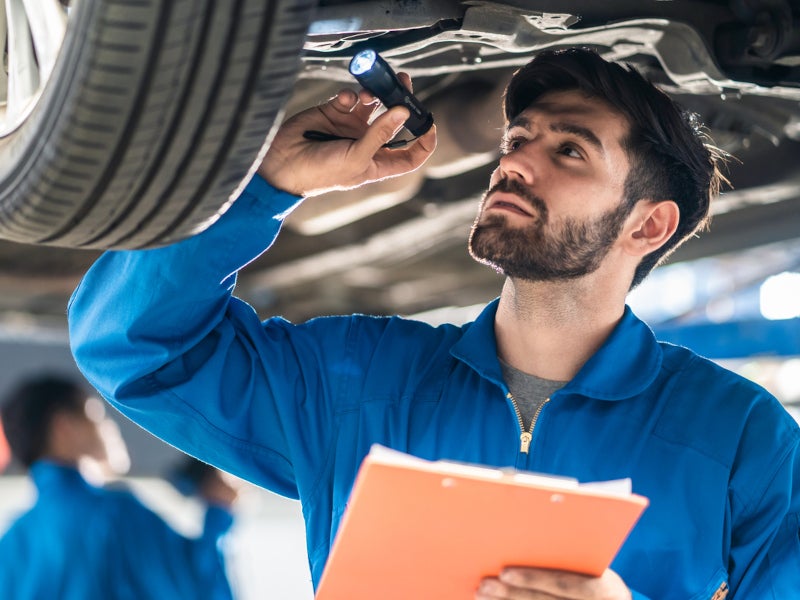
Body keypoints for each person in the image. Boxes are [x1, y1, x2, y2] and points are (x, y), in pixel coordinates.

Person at [68, 48, 800, 599]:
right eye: (517, 140)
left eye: (568, 150)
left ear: (649, 225)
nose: (515, 163)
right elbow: (135, 347)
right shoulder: (355, 379)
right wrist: (267, 183)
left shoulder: (740, 436)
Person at [0, 374, 238, 600]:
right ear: (64, 427)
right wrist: (219, 512)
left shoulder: (9, 546)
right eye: (97, 415)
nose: (109, 427)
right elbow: (200, 589)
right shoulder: (115, 516)